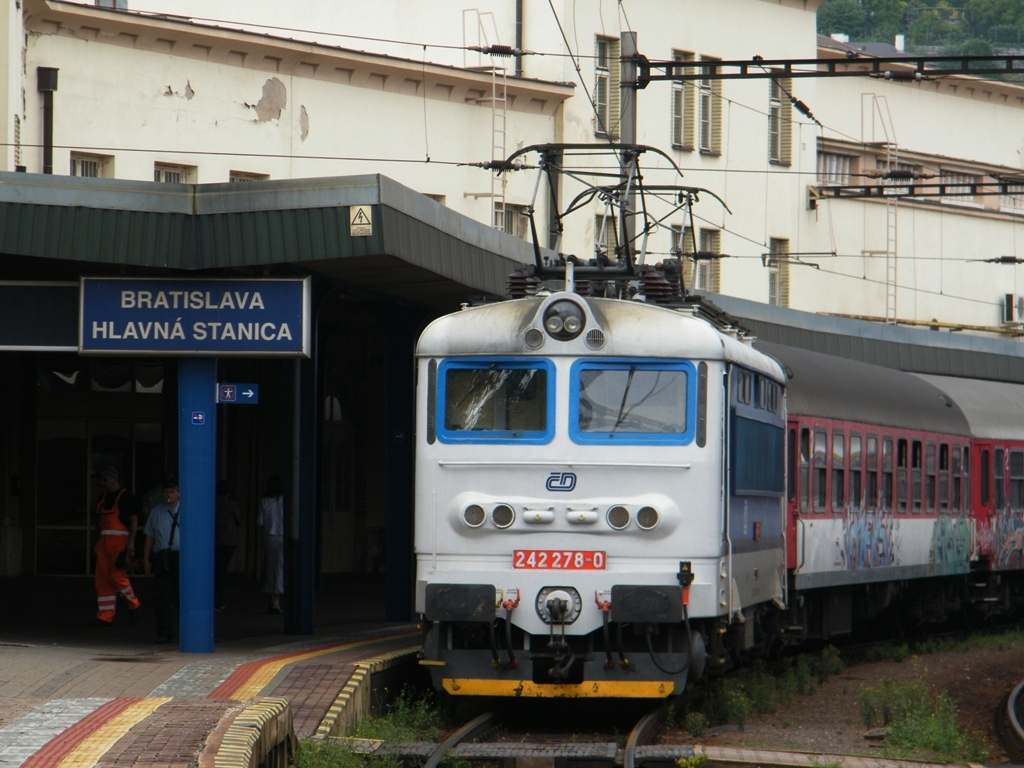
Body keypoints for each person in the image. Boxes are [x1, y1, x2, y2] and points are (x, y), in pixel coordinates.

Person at [92, 465, 140, 626]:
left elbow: (133, 521)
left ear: (114, 478)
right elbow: (98, 522)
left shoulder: (126, 497)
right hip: (103, 543)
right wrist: (96, 542)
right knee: (102, 580)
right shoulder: (103, 498)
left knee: (116, 576)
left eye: (105, 479)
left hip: (119, 543)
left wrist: (130, 545)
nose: (103, 483)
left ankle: (134, 604)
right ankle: (105, 616)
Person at [143, 475, 181, 644]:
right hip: (162, 556)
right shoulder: (157, 511)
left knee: (181, 595)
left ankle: (186, 629)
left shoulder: (186, 510)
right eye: (166, 492)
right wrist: (146, 559)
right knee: (161, 597)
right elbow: (149, 537)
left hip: (180, 556)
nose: (169, 495)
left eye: (172, 492)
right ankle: (165, 631)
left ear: (178, 493)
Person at [258, 475, 284, 614]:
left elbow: (260, 521)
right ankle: (276, 600)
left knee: (270, 567)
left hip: (269, 537)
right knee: (280, 568)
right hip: (282, 536)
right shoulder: (285, 501)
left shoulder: (264, 502)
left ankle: (271, 599)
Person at [214, 479, 241, 611]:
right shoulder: (231, 505)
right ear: (228, 493)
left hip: (213, 541)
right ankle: (219, 601)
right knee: (222, 572)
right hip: (227, 542)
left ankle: (211, 600)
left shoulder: (210, 504)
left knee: (212, 571)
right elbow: (238, 520)